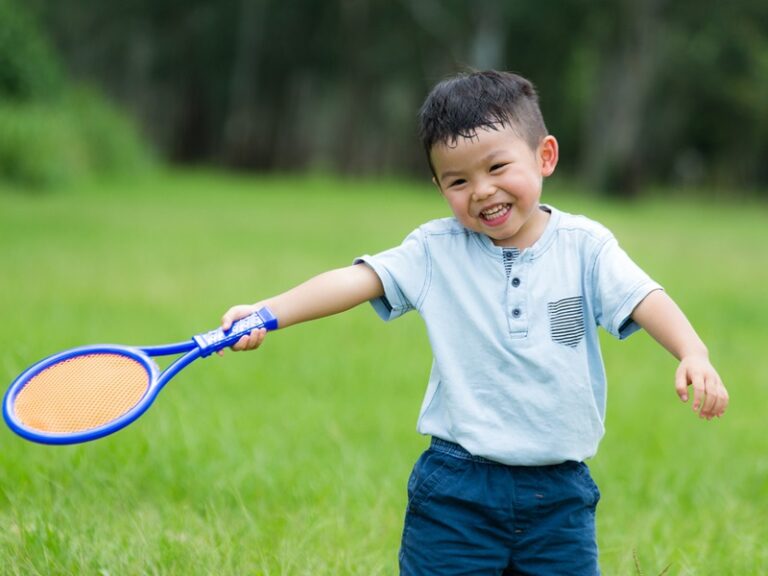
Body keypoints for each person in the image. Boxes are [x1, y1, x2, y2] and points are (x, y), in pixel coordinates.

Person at [219, 70, 729, 575]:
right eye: (458, 181)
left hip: (559, 493)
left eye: (497, 167)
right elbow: (353, 281)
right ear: (439, 186)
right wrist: (265, 312)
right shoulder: (435, 250)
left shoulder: (585, 247)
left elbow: (645, 296)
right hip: (457, 489)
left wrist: (693, 351)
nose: (482, 191)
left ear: (544, 156)